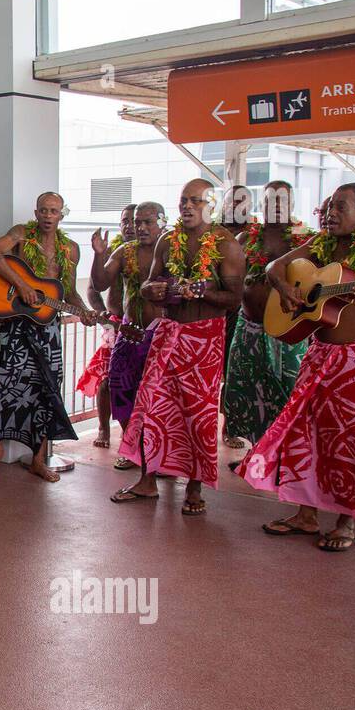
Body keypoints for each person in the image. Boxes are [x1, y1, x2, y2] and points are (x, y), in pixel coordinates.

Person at [241, 183, 355, 551]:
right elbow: (277, 265)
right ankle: (305, 515)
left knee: (352, 438)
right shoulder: (322, 243)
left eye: (339, 207)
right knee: (307, 433)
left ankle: (345, 521)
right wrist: (286, 289)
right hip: (320, 350)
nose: (329, 214)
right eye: (327, 207)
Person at [110, 178, 244, 516]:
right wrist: (152, 291)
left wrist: (201, 292)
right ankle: (147, 479)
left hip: (204, 338)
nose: (187, 206)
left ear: (210, 204)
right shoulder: (167, 242)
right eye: (184, 200)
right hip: (168, 333)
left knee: (197, 415)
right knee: (152, 405)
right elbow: (148, 284)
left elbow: (234, 299)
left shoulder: (226, 244)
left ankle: (195, 488)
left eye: (195, 201)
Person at [0, 192, 96, 481]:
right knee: (2, 384)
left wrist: (84, 311)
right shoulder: (21, 234)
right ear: (36, 212)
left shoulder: (69, 249)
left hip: (48, 328)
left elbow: (68, 291)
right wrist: (21, 286)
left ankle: (38, 459)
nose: (47, 215)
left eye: (53, 211)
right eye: (43, 210)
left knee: (47, 390)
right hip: (16, 324)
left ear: (62, 215)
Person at [220, 181, 312, 449]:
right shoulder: (245, 239)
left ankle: (283, 454)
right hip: (247, 326)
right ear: (262, 204)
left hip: (288, 331)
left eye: (282, 200)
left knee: (287, 392)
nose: (276, 205)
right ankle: (254, 451)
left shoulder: (305, 240)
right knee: (245, 390)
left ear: (292, 205)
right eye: (270, 199)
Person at [91, 201, 167, 470]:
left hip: (163, 335)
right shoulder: (125, 251)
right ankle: (132, 446)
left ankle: (160, 456)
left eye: (148, 222)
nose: (141, 227)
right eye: (138, 223)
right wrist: (99, 255)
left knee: (160, 399)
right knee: (119, 389)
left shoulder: (173, 248)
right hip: (128, 332)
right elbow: (99, 284)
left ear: (163, 221)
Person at [76, 203, 136, 448]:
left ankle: (132, 437)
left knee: (137, 384)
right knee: (107, 380)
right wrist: (102, 315)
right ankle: (103, 428)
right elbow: (93, 288)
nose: (130, 225)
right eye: (125, 220)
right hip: (114, 324)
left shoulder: (155, 250)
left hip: (142, 327)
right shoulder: (114, 251)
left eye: (135, 220)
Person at [219, 184, 252, 449]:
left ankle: (229, 426)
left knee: (233, 374)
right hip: (211, 311)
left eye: (244, 202)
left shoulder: (255, 235)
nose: (237, 206)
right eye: (233, 201)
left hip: (240, 313)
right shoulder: (213, 232)